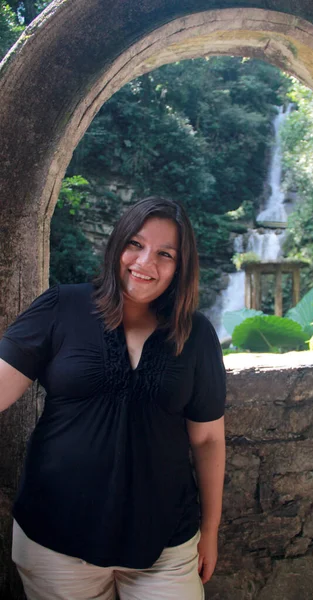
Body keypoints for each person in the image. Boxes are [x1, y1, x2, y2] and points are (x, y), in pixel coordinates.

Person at [0, 196, 226, 600]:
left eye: (165, 254)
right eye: (135, 245)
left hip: (167, 545)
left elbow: (207, 439)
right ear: (117, 244)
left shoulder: (196, 334)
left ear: (181, 267)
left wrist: (209, 532)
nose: (144, 263)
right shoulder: (61, 307)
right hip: (56, 541)